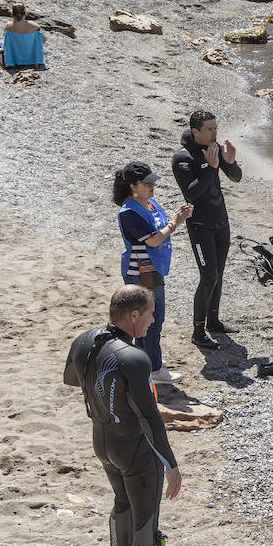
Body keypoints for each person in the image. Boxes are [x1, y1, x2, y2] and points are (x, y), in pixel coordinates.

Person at [64, 285, 189, 546]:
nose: (152, 320)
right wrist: (171, 465)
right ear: (134, 315)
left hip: (102, 442)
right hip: (134, 449)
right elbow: (150, 417)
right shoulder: (134, 358)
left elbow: (73, 380)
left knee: (122, 502)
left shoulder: (83, 341)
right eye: (150, 314)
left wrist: (108, 399)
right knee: (146, 515)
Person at [112, 161, 193, 383]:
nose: (152, 187)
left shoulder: (149, 203)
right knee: (150, 320)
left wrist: (175, 219)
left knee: (151, 318)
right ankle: (154, 370)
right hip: (142, 271)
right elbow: (155, 240)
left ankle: (147, 362)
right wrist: (177, 221)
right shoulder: (129, 212)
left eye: (153, 182)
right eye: (147, 183)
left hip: (152, 268)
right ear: (132, 186)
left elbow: (159, 229)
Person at [172, 110, 241, 349]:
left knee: (219, 273)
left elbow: (236, 177)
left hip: (221, 221)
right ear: (195, 132)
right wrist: (211, 167)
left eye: (216, 128)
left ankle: (213, 321)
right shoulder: (182, 157)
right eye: (210, 129)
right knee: (208, 275)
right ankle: (198, 330)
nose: (215, 133)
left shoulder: (214, 147)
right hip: (200, 225)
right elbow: (191, 192)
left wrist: (229, 162)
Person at [1, 3, 43, 69]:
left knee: (7, 33)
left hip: (14, 58)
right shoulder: (34, 25)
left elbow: (5, 39)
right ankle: (36, 58)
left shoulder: (8, 26)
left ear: (12, 14)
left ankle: (11, 59)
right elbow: (44, 40)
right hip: (31, 58)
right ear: (25, 13)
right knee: (37, 33)